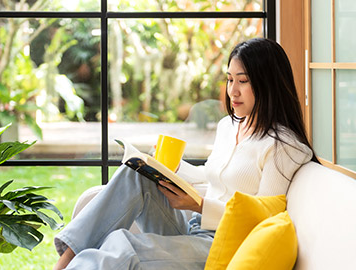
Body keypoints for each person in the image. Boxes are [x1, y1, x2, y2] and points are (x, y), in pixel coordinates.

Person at [52, 38, 319, 270]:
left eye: (243, 81)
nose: (232, 91)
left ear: (268, 84)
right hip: (194, 228)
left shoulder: (284, 146)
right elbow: (215, 176)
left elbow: (262, 219)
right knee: (135, 175)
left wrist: (200, 206)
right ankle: (65, 259)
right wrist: (171, 168)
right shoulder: (230, 126)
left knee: (122, 244)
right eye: (229, 79)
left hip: (222, 247)